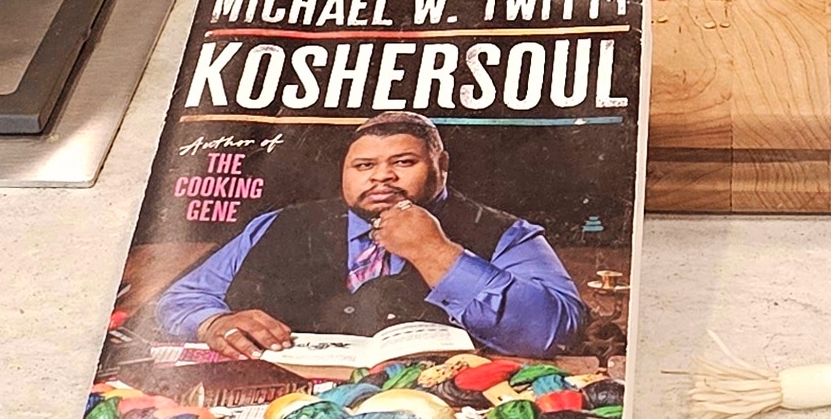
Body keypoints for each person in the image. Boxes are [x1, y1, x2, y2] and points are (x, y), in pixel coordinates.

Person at [153, 112, 586, 361]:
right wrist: (215, 321)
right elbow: (180, 300)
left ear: (442, 166)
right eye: (363, 167)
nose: (382, 176)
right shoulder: (277, 223)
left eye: (403, 162)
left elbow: (556, 329)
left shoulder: (508, 233)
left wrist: (434, 252)